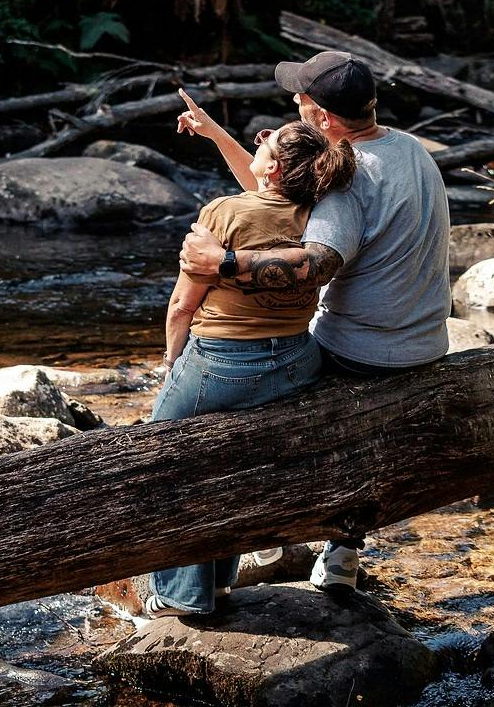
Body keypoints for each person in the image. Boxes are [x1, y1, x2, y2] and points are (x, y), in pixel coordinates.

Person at [175, 51, 452, 591]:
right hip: (424, 343)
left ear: (323, 119)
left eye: (299, 101)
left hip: (359, 353)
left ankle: (245, 544)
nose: (292, 105)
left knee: (235, 409)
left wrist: (225, 263)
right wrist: (216, 135)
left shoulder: (348, 180)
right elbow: (269, 199)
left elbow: (313, 266)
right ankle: (341, 554)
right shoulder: (409, 148)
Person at [142, 119, 357, 617]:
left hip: (223, 363)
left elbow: (181, 305)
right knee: (235, 464)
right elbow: (264, 195)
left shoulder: (222, 213)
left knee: (168, 467)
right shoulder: (316, 214)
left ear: (276, 168)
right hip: (297, 360)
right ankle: (220, 582)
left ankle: (181, 596)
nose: (257, 138)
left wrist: (174, 363)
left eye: (268, 140)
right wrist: (219, 135)